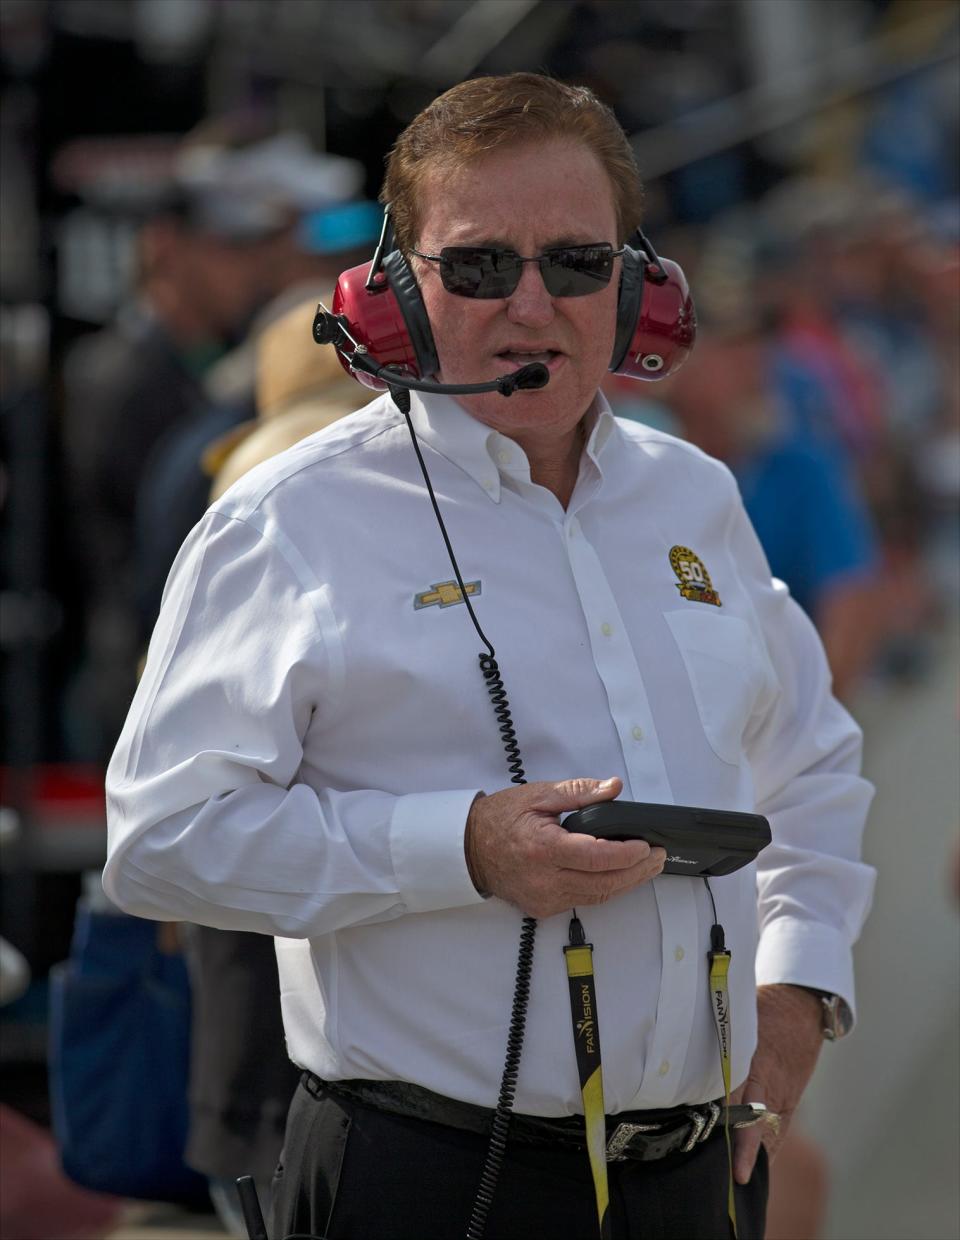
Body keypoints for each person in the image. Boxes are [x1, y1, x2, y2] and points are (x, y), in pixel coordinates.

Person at [103, 74, 875, 1240]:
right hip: (425, 1176)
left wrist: (801, 985)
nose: (531, 304)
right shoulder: (287, 520)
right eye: (478, 267)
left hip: (692, 1180)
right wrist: (458, 847)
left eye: (573, 261)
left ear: (637, 286)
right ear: (398, 293)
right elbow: (160, 839)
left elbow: (811, 763)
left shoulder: (693, 498)